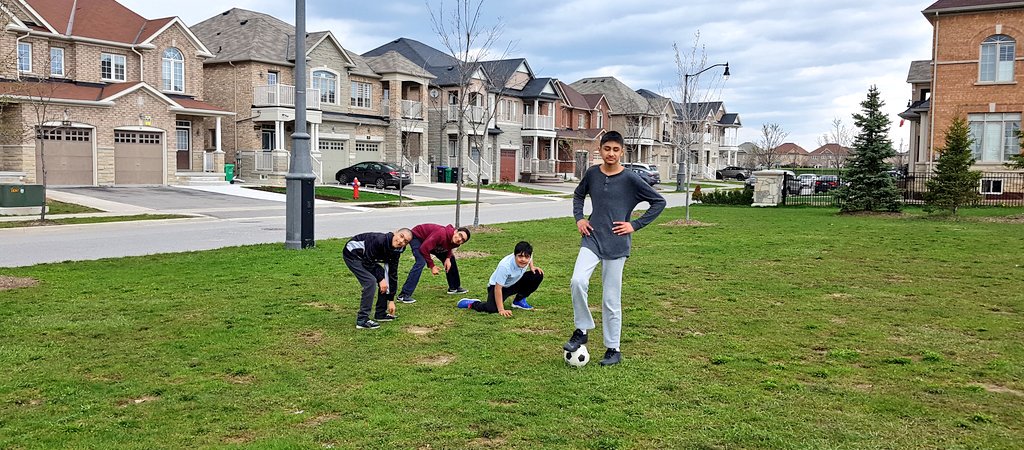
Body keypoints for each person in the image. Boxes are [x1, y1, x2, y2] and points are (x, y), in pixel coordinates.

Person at [563, 131, 666, 366]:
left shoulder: (630, 179)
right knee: (577, 281)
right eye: (607, 148)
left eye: (615, 149)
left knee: (611, 299)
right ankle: (582, 329)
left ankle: (613, 349)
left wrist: (635, 224)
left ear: (622, 152)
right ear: (599, 150)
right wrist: (579, 218)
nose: (611, 153)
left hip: (617, 244)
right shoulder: (592, 174)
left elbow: (659, 202)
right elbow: (579, 195)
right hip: (592, 239)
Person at [343, 228, 413, 329]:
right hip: (353, 254)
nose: (401, 241)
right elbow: (367, 262)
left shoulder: (397, 250)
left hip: (367, 258)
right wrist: (380, 279)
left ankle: (380, 313)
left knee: (385, 278)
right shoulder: (380, 240)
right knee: (370, 282)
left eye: (405, 241)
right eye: (401, 236)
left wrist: (391, 300)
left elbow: (392, 273)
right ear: (395, 233)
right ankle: (362, 320)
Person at [457, 241, 543, 317]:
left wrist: (532, 266)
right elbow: (498, 288)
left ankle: (519, 301)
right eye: (520, 256)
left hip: (514, 282)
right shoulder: (505, 266)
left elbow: (531, 256)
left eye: (526, 257)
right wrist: (501, 310)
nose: (523, 259)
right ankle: (473, 304)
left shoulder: (528, 256)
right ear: (514, 255)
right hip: (497, 287)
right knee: (492, 309)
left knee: (537, 274)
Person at [397, 224, 471, 303]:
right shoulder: (441, 234)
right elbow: (424, 248)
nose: (459, 239)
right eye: (460, 235)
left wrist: (448, 258)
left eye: (463, 240)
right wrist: (432, 266)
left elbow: (450, 246)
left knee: (451, 259)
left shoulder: (457, 242)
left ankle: (454, 287)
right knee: (421, 262)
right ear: (455, 231)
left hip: (432, 242)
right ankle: (404, 295)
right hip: (418, 237)